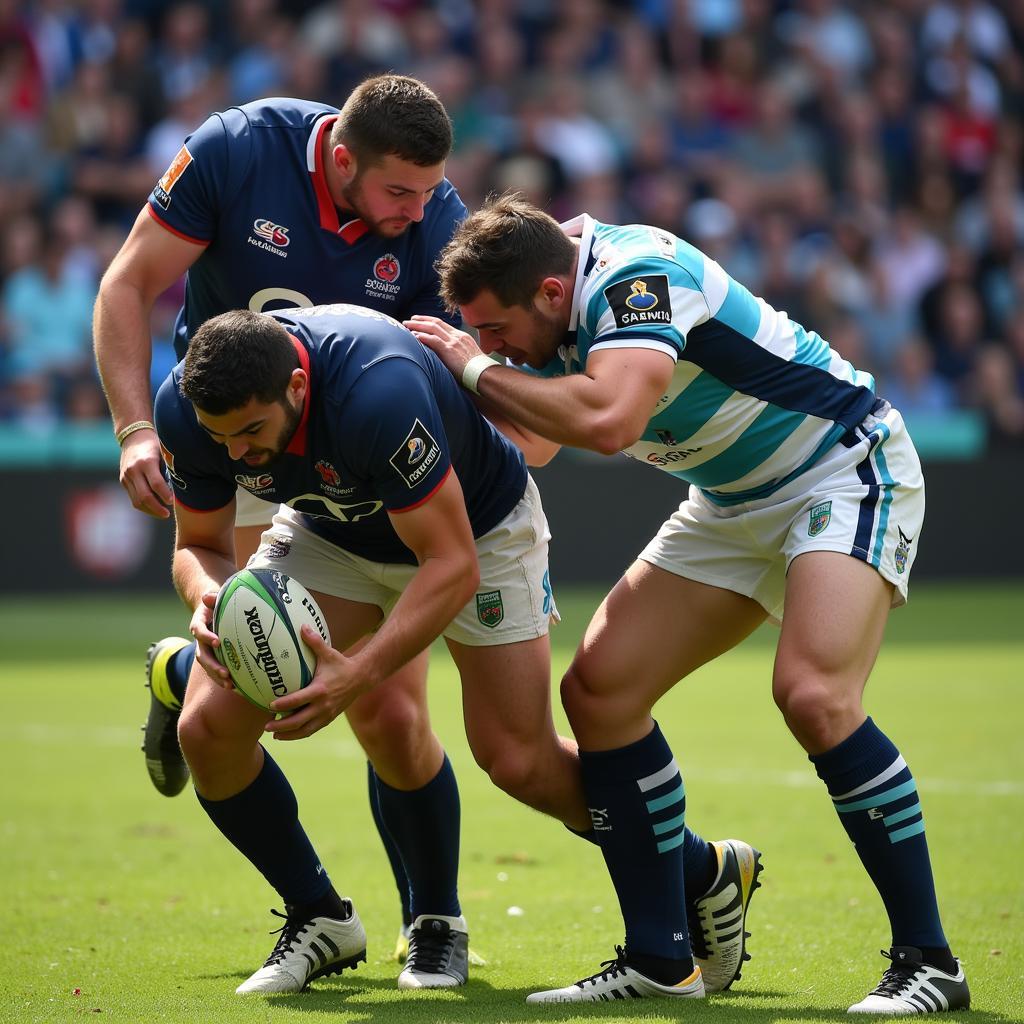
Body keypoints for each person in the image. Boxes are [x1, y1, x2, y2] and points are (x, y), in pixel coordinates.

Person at [406, 194, 970, 1013]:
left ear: (551, 295)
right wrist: (435, 376)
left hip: (839, 465)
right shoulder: (545, 305)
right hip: (732, 498)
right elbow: (534, 440)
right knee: (599, 693)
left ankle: (930, 961)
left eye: (496, 328)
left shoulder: (637, 275)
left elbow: (607, 419)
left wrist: (471, 366)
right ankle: (659, 959)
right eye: (479, 331)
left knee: (814, 696)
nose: (491, 344)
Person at [155, 303, 756, 1000]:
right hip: (331, 536)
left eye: (251, 432)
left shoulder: (376, 388)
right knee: (206, 729)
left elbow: (449, 566)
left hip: (478, 531)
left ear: (296, 386)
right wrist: (210, 597)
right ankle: (319, 916)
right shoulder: (186, 407)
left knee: (518, 761)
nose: (236, 454)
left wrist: (358, 674)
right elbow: (196, 546)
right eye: (219, 437)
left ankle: (697, 871)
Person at [92, 74, 468, 963]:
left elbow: (464, 351)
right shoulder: (235, 150)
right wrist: (137, 427)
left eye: (425, 192)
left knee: (381, 709)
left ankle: (436, 924)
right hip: (234, 431)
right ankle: (322, 916)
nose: (415, 214)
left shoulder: (433, 213)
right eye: (396, 194)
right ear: (342, 158)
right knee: (263, 676)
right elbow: (126, 284)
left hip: (359, 444)